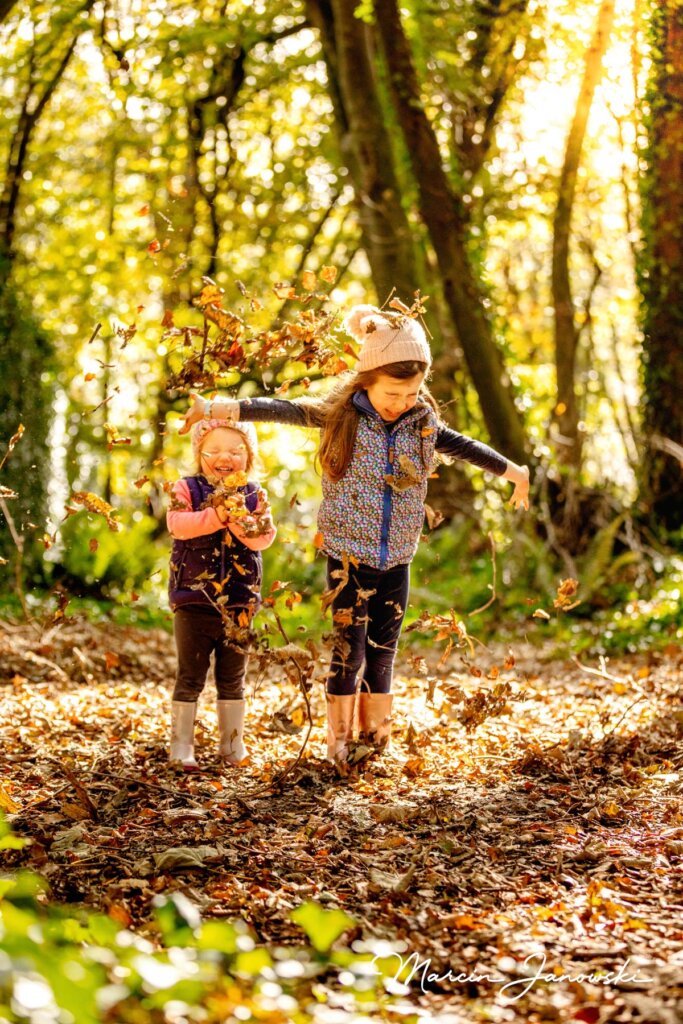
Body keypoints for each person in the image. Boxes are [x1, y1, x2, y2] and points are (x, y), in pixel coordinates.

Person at [179, 303, 530, 764]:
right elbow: (281, 409)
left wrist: (514, 473)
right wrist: (219, 407)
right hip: (348, 557)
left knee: (384, 652)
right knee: (350, 651)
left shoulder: (420, 423)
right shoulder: (339, 415)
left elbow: (465, 446)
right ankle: (338, 744)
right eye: (392, 393)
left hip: (397, 557)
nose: (401, 403)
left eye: (411, 393)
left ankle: (375, 739)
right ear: (367, 379)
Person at [167, 418, 276, 771]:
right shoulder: (185, 488)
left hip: (240, 603)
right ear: (199, 454)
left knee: (232, 677)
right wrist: (215, 515)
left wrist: (239, 519)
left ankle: (232, 745)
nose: (223, 457)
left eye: (234, 450)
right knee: (191, 675)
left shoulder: (255, 494)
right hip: (194, 601)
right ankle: (181, 747)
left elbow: (263, 538)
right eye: (212, 451)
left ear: (249, 456)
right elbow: (177, 525)